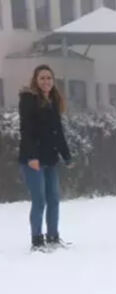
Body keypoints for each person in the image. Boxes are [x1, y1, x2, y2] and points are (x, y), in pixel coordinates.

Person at [18, 64, 73, 252]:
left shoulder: (53, 100)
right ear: (35, 80)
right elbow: (27, 130)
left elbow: (58, 132)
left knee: (54, 199)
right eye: (42, 78)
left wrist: (66, 155)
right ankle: (37, 240)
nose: (46, 81)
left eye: (49, 78)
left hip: (50, 158)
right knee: (39, 200)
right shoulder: (28, 100)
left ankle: (53, 236)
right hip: (33, 159)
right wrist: (32, 156)